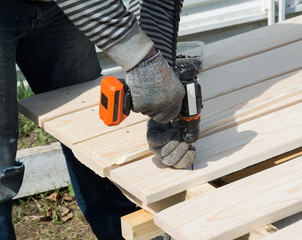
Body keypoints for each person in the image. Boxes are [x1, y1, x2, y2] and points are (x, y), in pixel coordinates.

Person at [0, 0, 195, 239]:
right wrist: (142, 60)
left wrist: (158, 77)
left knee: (86, 134)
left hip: (60, 7)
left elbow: (156, 4)